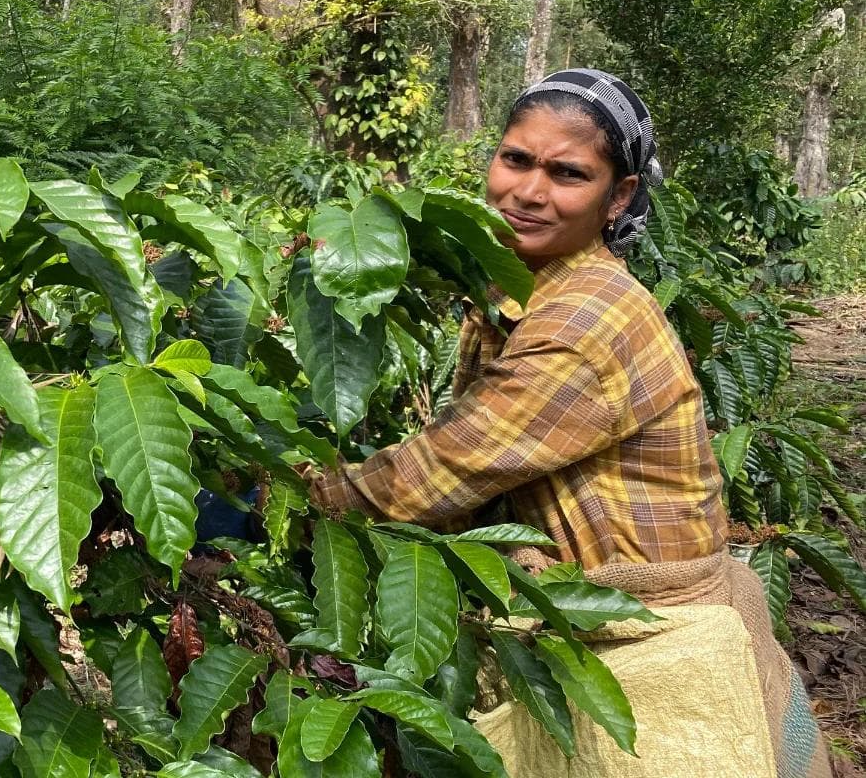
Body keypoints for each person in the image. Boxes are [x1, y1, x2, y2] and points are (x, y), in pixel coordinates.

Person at [306, 69, 829, 778]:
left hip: (644, 635)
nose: (527, 191)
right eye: (515, 159)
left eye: (567, 173)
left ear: (619, 198)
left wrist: (285, 494)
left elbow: (438, 473)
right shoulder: (525, 286)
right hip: (586, 614)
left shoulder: (585, 320)